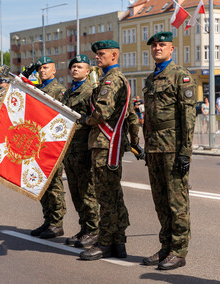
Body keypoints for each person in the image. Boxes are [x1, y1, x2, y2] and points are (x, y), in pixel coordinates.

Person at [142, 32, 196, 270]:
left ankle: (178, 250)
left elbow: (188, 117)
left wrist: (186, 151)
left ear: (171, 49)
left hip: (173, 147)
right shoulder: (151, 79)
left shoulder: (180, 76)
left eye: (162, 45)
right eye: (154, 45)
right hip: (154, 147)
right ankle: (165, 247)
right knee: (160, 201)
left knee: (177, 202)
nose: (157, 48)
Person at [78, 40, 131, 261]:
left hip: (105, 143)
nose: (97, 57)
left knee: (106, 196)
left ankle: (106, 243)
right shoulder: (111, 79)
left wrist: (85, 120)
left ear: (114, 55)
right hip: (106, 143)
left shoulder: (111, 80)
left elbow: (102, 113)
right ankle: (118, 242)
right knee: (113, 195)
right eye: (96, 54)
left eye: (101, 54)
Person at [62, 55, 100, 248]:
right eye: (73, 66)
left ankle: (94, 230)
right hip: (70, 151)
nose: (75, 69)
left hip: (84, 148)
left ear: (88, 71)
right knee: (76, 193)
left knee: (87, 192)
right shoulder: (67, 94)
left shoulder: (91, 91)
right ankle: (84, 228)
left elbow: (94, 119)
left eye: (80, 67)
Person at [27, 56, 67, 239]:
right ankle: (48, 220)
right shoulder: (37, 89)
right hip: (37, 143)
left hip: (52, 143)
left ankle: (57, 223)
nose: (42, 70)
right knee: (41, 184)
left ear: (54, 71)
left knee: (55, 185)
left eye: (46, 67)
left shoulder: (59, 90)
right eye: (40, 68)